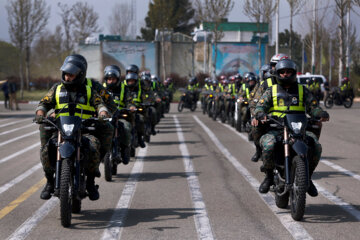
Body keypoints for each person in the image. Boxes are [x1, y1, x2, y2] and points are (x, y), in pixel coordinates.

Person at [35, 54, 110, 201]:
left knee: (94, 145)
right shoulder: (57, 88)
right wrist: (40, 113)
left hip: (84, 130)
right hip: (61, 130)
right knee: (46, 149)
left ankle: (90, 182)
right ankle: (50, 181)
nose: (68, 77)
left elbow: (99, 104)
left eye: (71, 74)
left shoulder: (89, 90)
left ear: (80, 75)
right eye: (66, 74)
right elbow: (44, 103)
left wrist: (102, 112)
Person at [253, 59, 329, 196]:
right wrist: (260, 114)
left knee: (316, 146)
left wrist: (320, 113)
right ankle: (269, 176)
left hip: (299, 130)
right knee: (269, 144)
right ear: (277, 74)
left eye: (289, 72)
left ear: (294, 73)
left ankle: (308, 178)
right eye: (282, 72)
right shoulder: (272, 90)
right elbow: (260, 106)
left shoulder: (302, 90)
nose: (285, 75)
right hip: (276, 128)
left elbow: (313, 107)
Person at [249, 55, 288, 163]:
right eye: (274, 65)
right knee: (255, 125)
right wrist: (256, 115)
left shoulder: (295, 85)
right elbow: (254, 102)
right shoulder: (265, 84)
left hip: (290, 120)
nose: (276, 68)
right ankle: (258, 150)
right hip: (268, 118)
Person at [103, 65, 132, 164]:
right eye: (109, 79)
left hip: (120, 116)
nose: (111, 81)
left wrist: (130, 107)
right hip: (105, 117)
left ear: (118, 79)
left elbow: (129, 100)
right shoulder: (100, 88)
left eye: (113, 79)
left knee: (126, 127)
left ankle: (125, 149)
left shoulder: (124, 88)